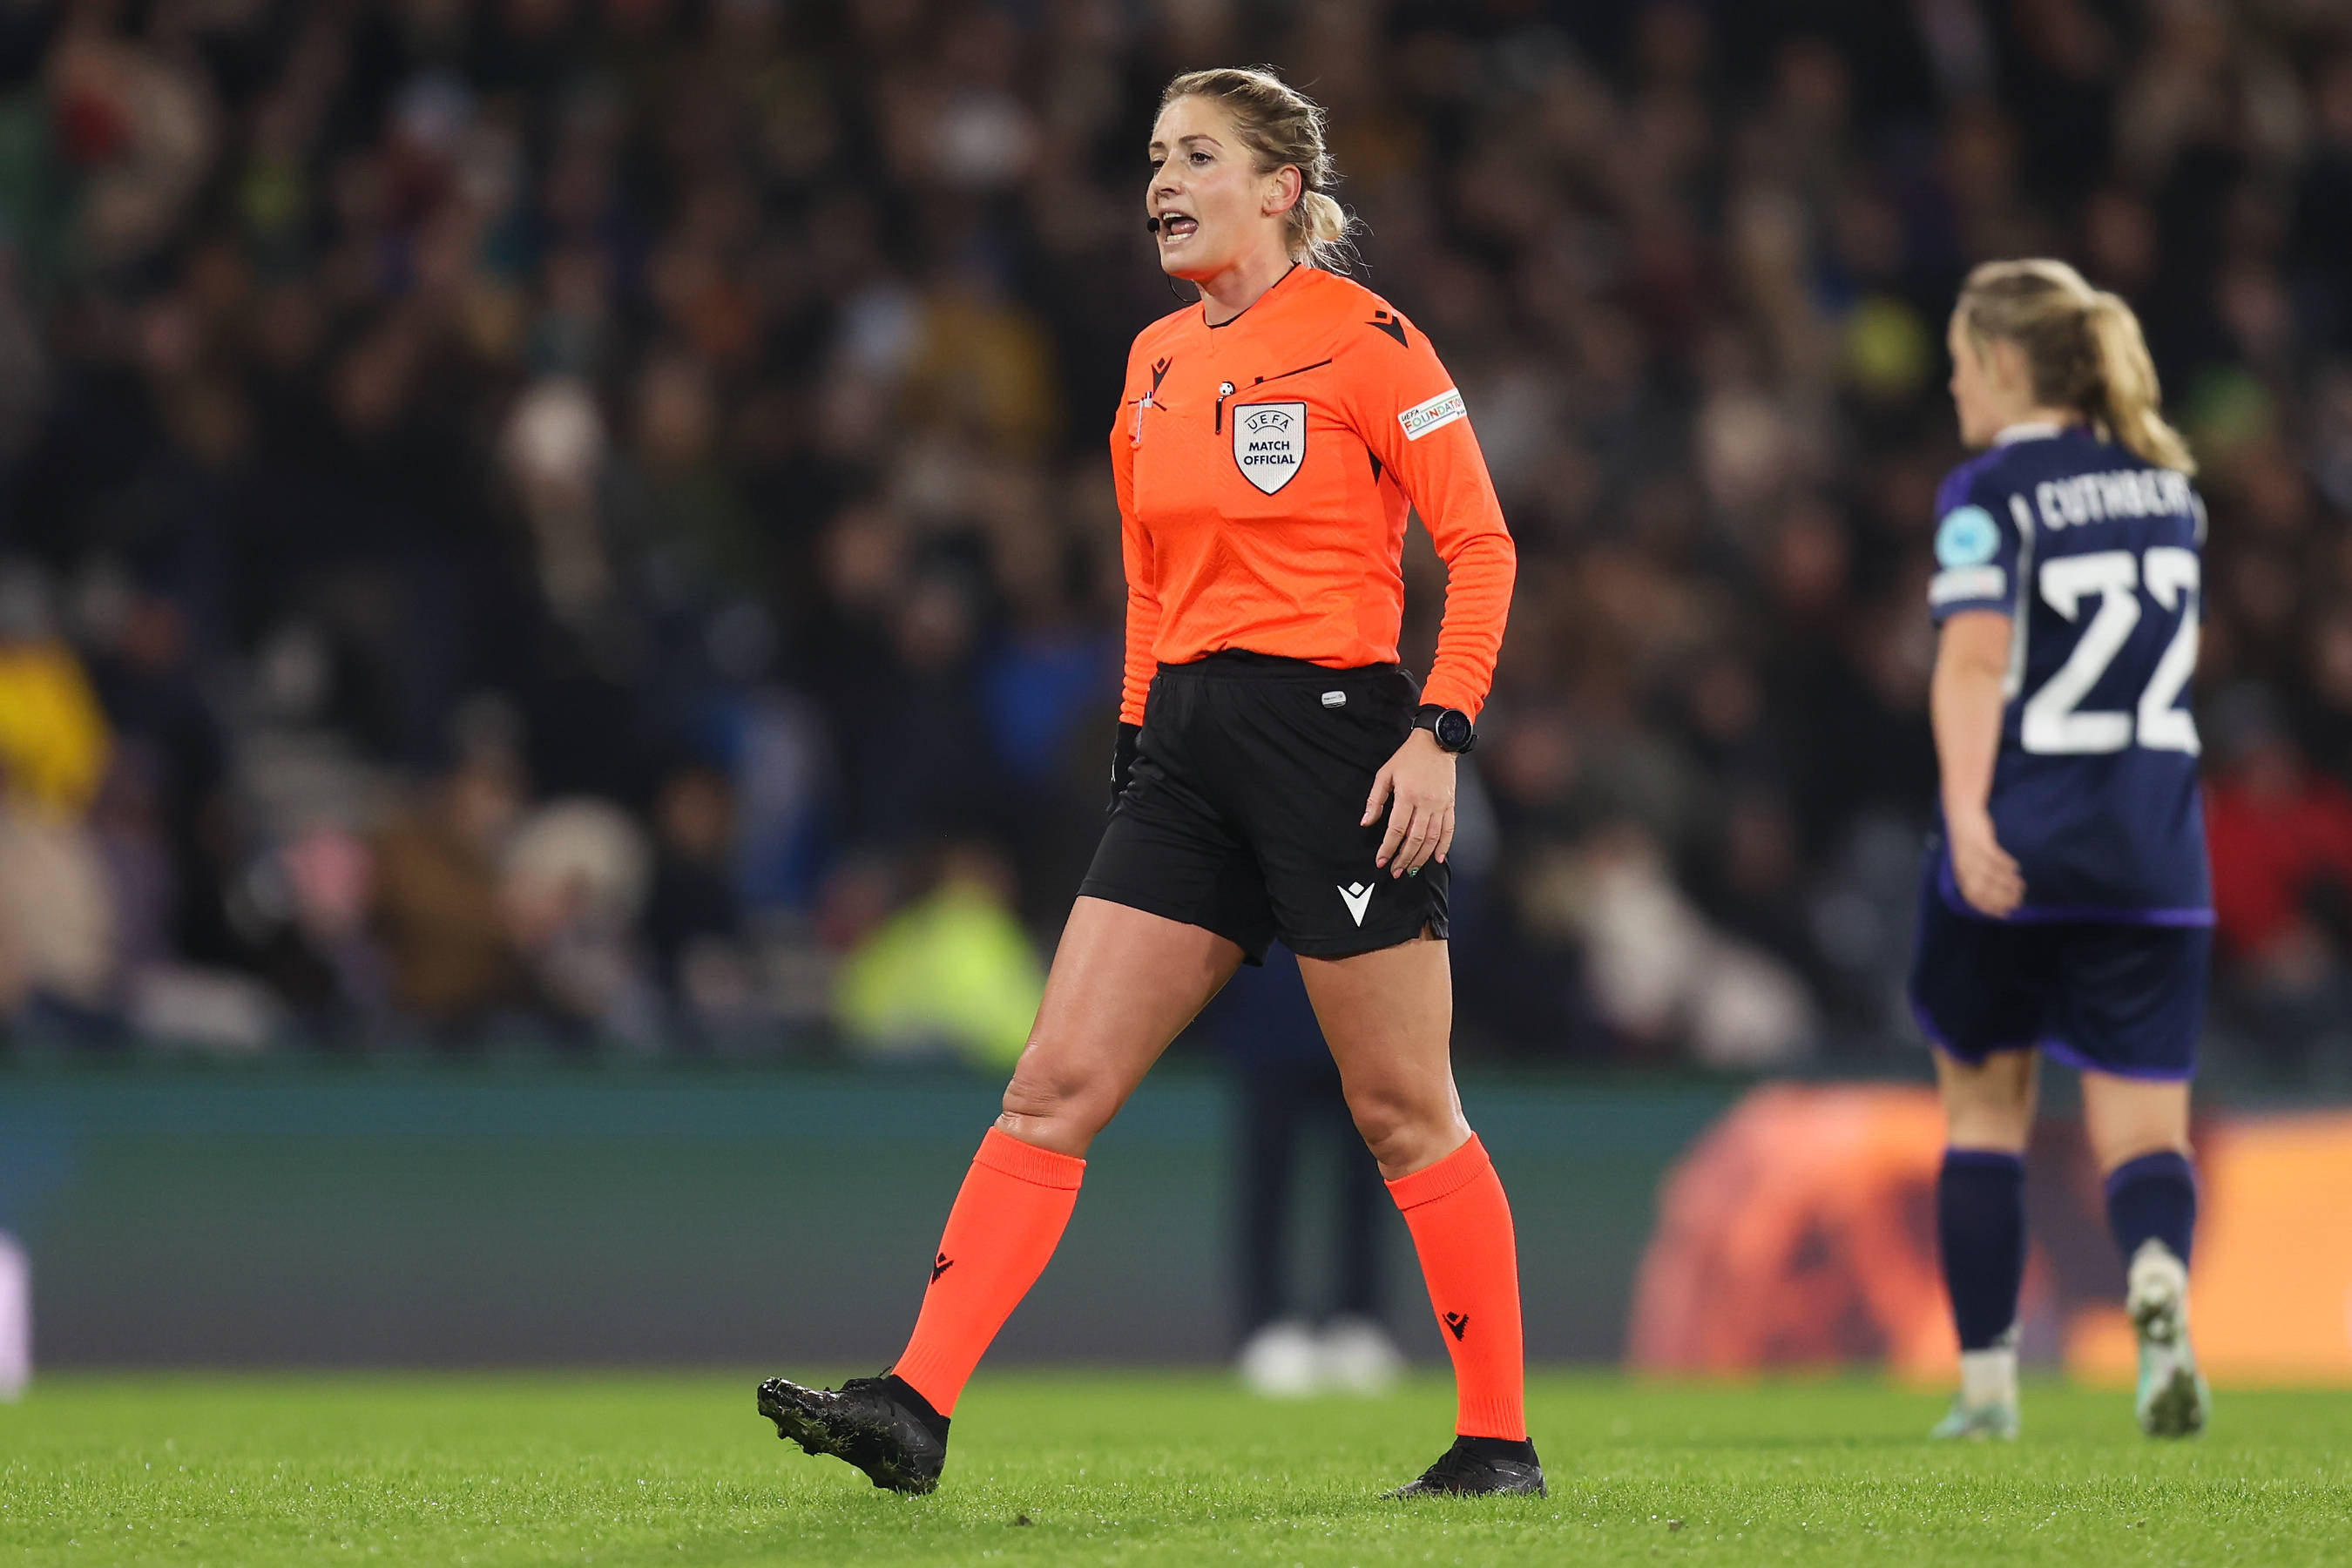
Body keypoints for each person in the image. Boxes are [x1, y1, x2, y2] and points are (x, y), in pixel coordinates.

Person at [756, 66, 1535, 1497]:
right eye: (1157, 158)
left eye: (1197, 157)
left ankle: (1496, 1443)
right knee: (1053, 1081)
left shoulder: (1373, 344)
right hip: (1184, 753)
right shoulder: (1153, 359)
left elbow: (1481, 550)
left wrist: (1441, 734)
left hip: (1335, 746)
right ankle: (914, 1407)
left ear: (1281, 189)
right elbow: (1150, 575)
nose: (1162, 183)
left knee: (1401, 1109)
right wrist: (1133, 742)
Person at [1909, 259, 2212, 1441]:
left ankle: (1988, 1389)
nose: (1951, 386)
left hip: (2021, 843)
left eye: (1958, 363)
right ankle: (2158, 1284)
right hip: (2155, 854)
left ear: (2000, 361)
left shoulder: (1989, 492)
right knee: (2146, 1131)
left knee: (1985, 1115)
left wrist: (1968, 815)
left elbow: (1974, 662)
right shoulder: (2170, 490)